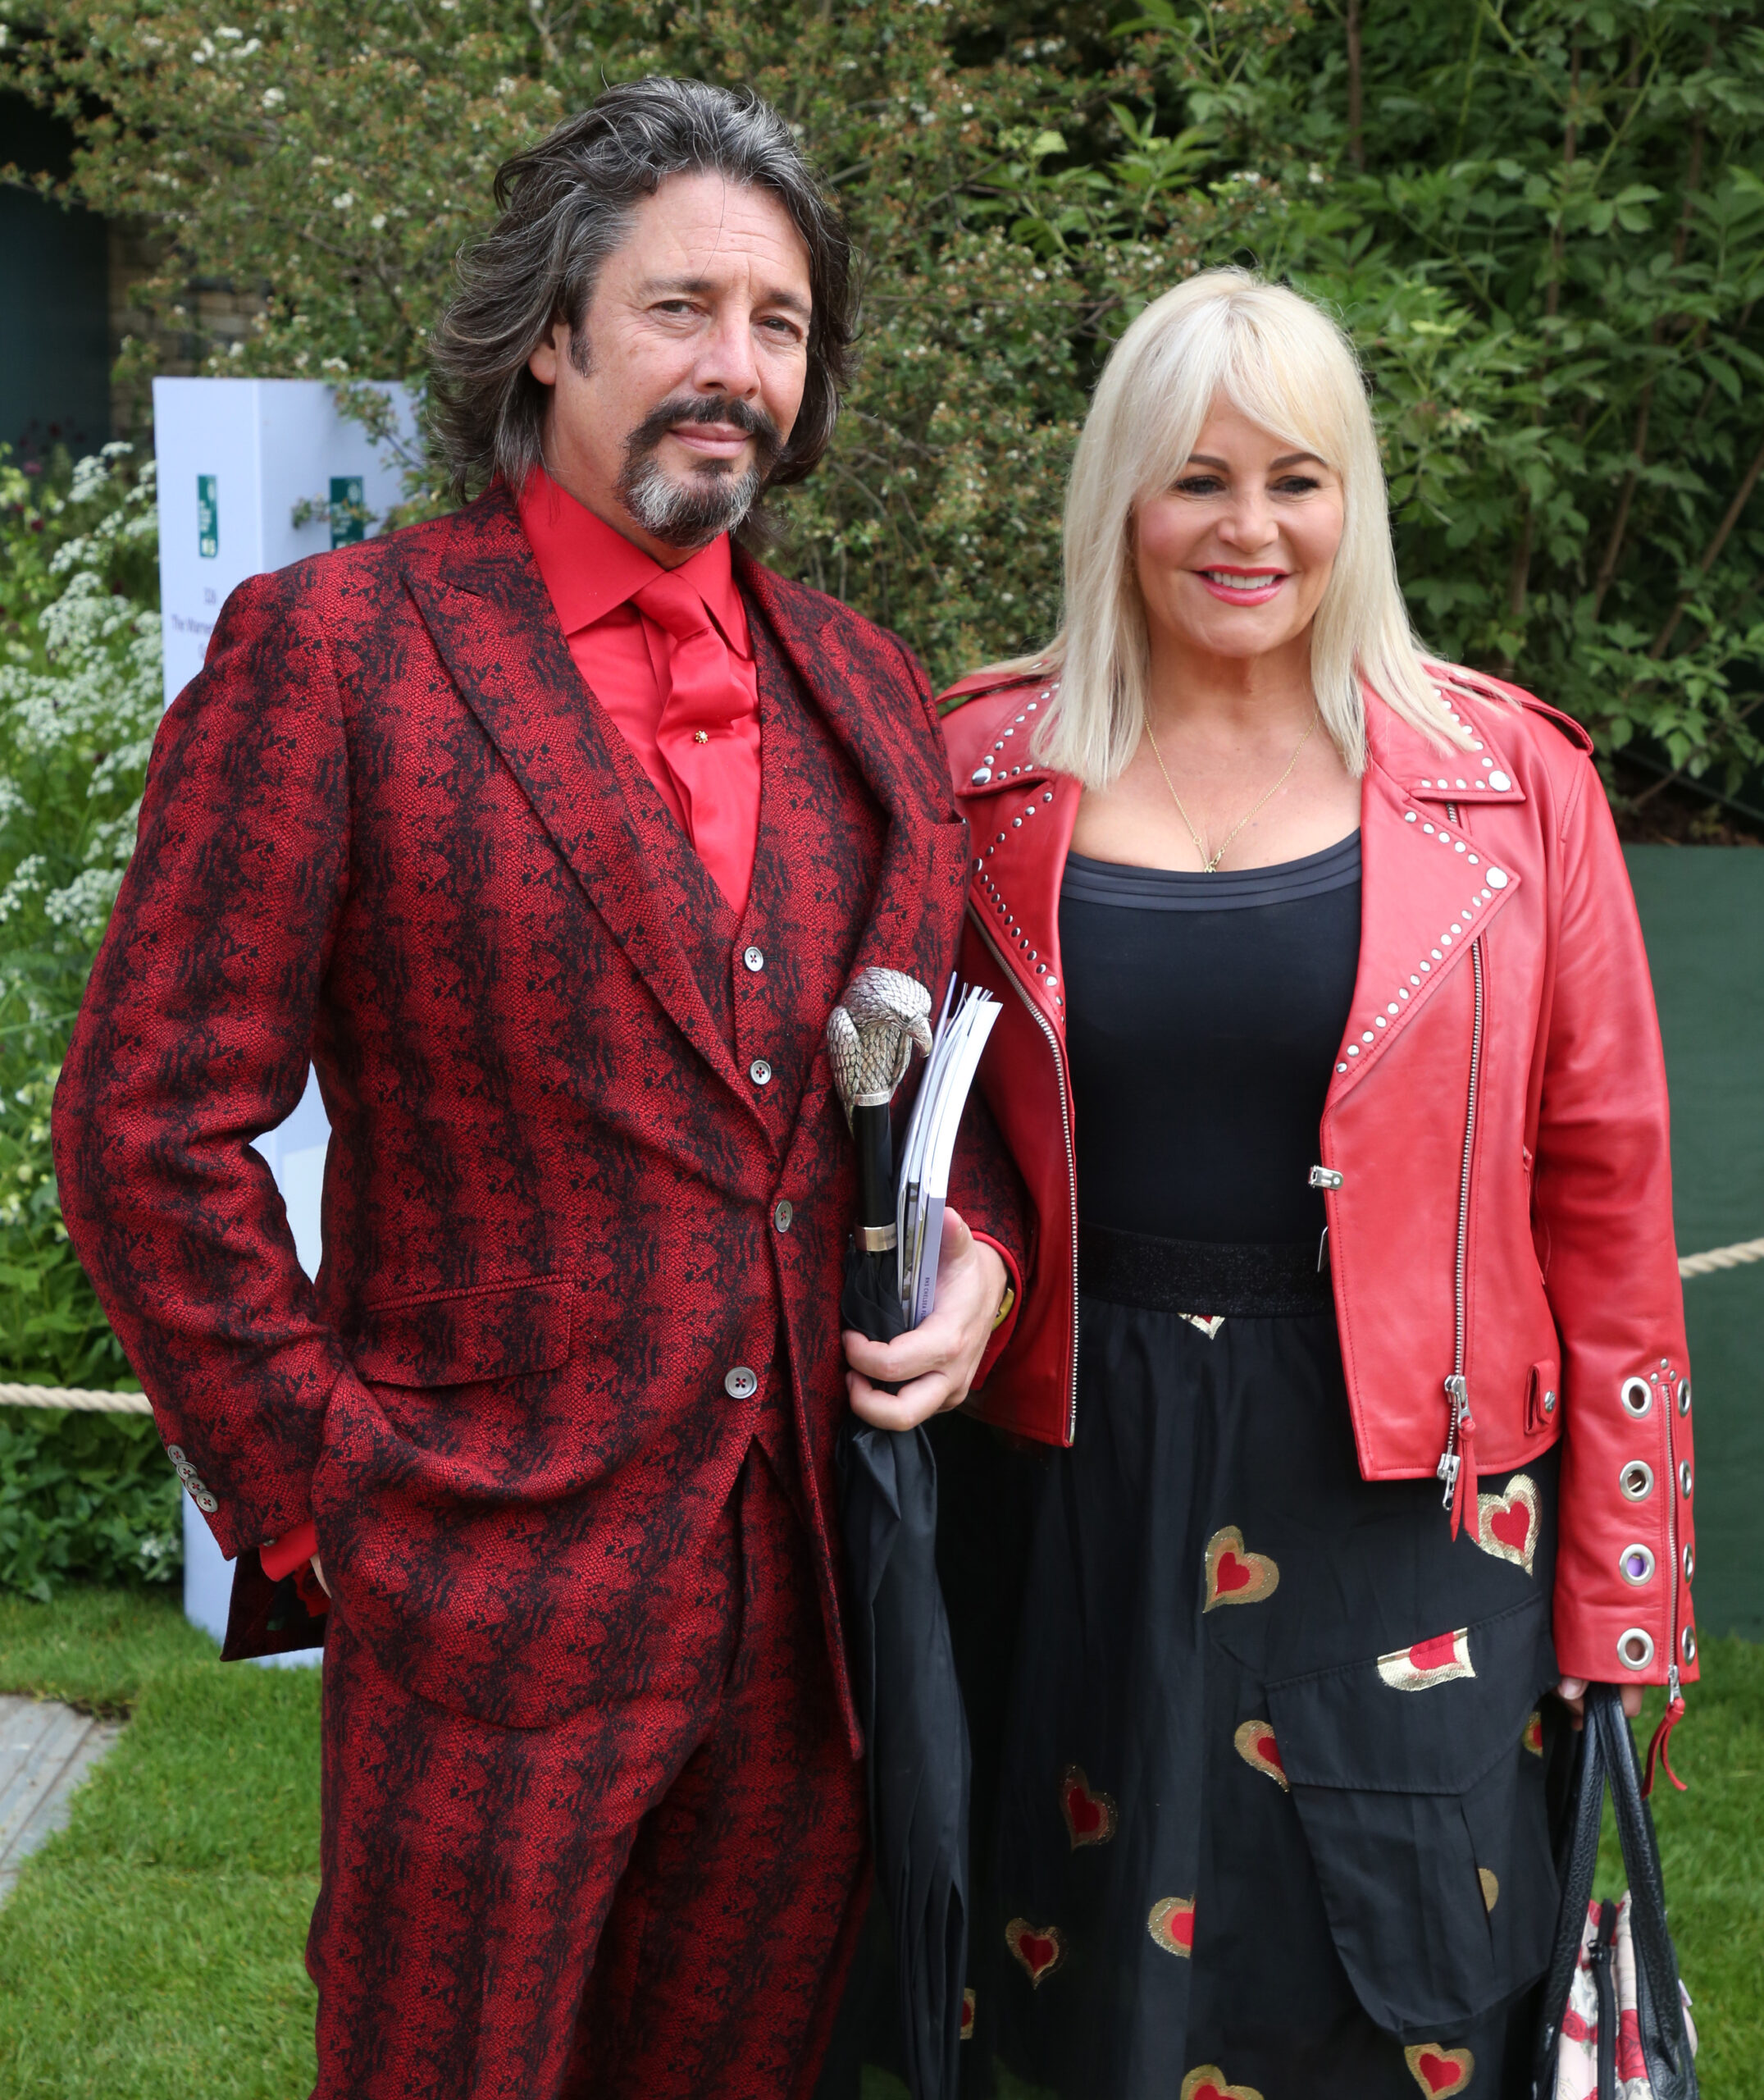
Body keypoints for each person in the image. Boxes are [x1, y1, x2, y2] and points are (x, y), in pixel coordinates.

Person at [51, 79, 1026, 2100]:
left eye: (775, 322)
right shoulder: (337, 652)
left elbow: (931, 1089)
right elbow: (148, 1121)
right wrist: (324, 1491)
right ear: (553, 337)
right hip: (475, 1593)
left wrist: (984, 1258)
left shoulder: (863, 681)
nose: (732, 367)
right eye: (679, 309)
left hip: (808, 1624)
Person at [926, 268, 1696, 2099]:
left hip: (1406, 1489)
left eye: (1294, 476)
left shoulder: (1509, 784)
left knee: (1400, 1990)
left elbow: (1605, 1196)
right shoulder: (976, 773)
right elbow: (939, 1132)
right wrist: (961, 1249)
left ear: (1350, 498)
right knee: (1072, 1982)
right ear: (1121, 493)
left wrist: (1624, 1590)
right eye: (1194, 477)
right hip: (1066, 1463)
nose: (1245, 527)